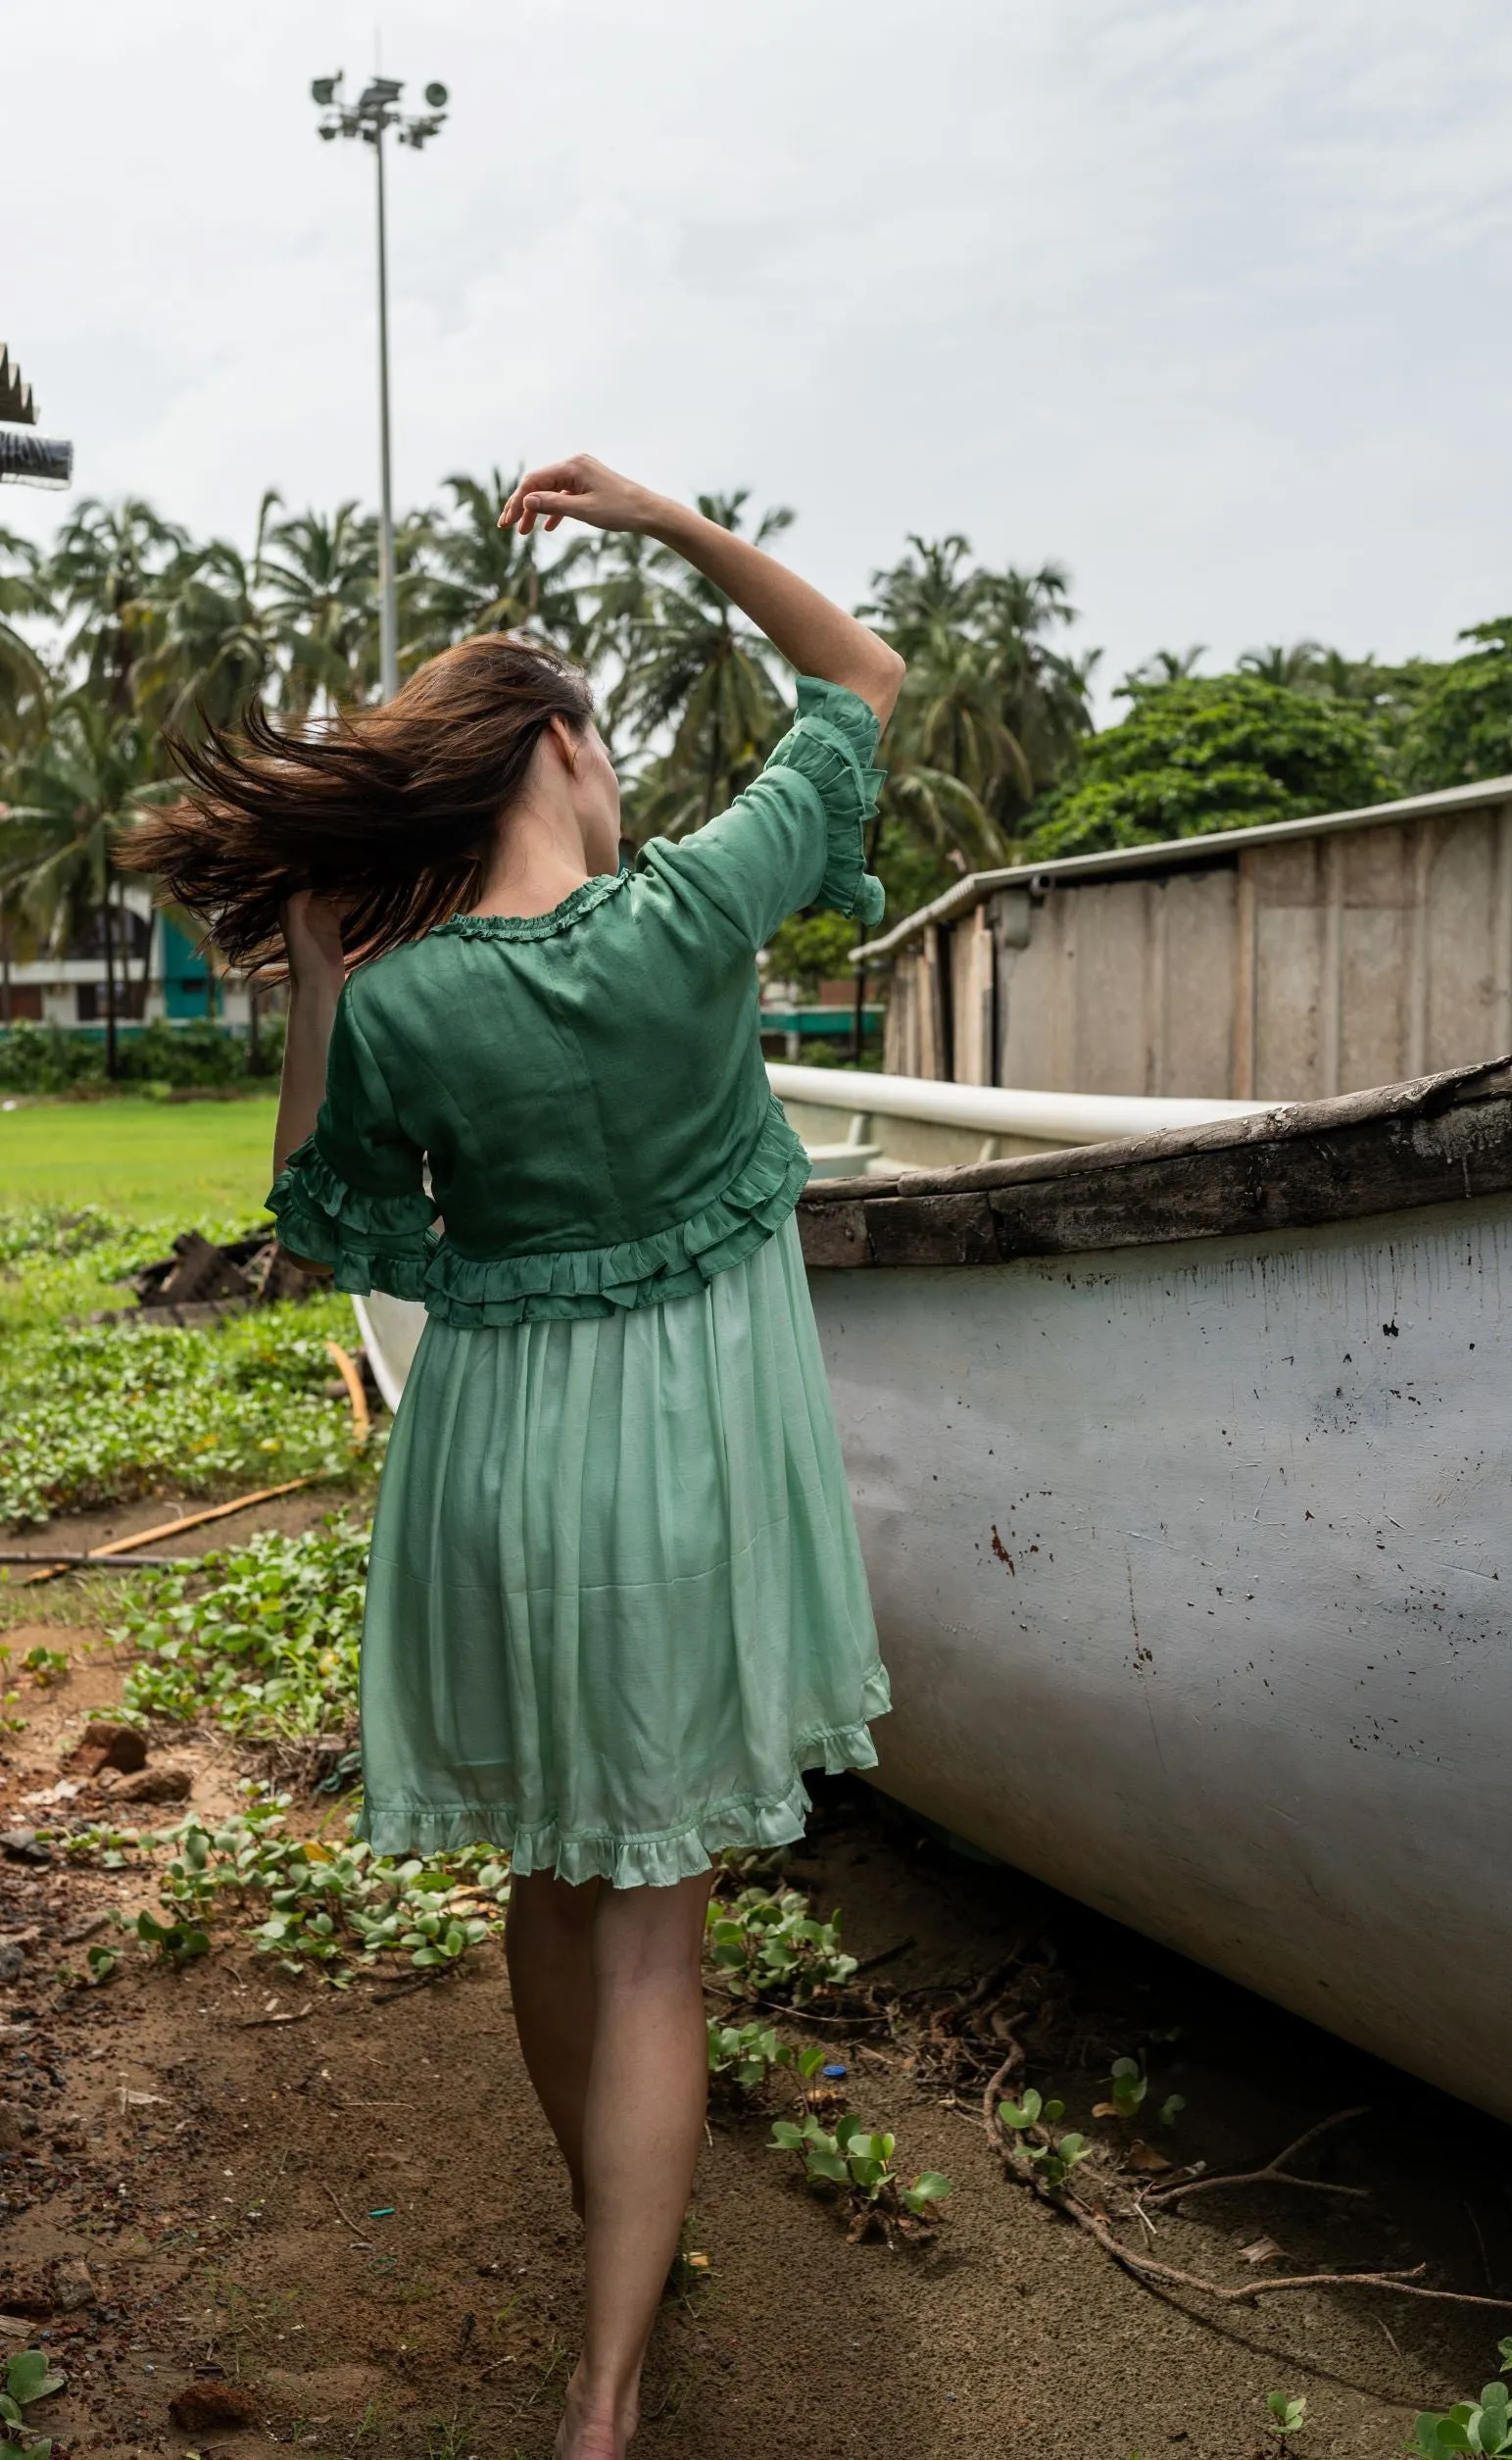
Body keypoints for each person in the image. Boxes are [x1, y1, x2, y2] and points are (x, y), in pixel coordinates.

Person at [124, 455, 903, 2460]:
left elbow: (335, 1219)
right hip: (678, 1454)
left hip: (495, 1461)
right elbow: (863, 678)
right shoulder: (696, 912)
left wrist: (315, 969)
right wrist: (664, 524)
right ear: (560, 746)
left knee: (553, 1892)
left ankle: (609, 2242)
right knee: (653, 1920)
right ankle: (608, 2384)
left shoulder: (407, 1010)